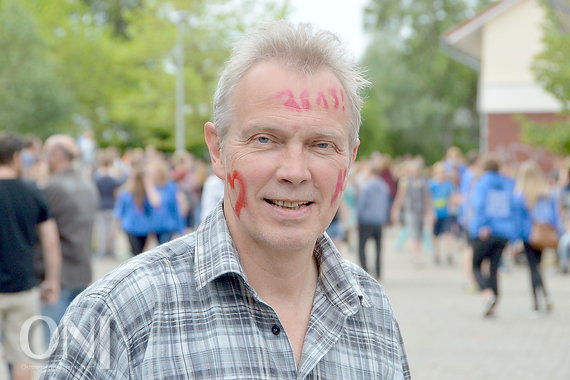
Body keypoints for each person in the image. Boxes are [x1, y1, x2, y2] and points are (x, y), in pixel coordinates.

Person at [41, 21, 410, 379]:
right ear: (217, 151)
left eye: (322, 145)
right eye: (265, 139)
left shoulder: (372, 313)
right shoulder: (119, 314)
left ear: (351, 158)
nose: (295, 171)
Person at [0, 132, 61, 380]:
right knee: (23, 355)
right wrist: (52, 280)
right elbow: (51, 240)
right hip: (23, 286)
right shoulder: (32, 192)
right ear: (16, 157)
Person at [40, 134, 99, 334]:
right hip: (82, 271)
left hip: (58, 276)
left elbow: (46, 236)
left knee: (55, 344)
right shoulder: (88, 185)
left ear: (56, 155)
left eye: (46, 153)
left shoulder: (51, 187)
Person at [468, 155, 517, 318]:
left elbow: (479, 205)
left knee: (475, 265)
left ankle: (488, 294)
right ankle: (494, 305)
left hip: (486, 231)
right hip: (503, 232)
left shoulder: (482, 183)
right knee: (494, 268)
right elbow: (512, 207)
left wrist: (482, 225)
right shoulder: (507, 184)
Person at [513, 161, 562, 315]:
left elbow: (518, 219)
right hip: (545, 234)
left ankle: (536, 304)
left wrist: (516, 239)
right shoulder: (547, 192)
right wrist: (558, 233)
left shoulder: (521, 194)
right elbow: (555, 216)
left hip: (529, 235)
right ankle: (546, 296)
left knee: (533, 269)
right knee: (538, 267)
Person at [357, 159, 391, 280]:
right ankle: (378, 272)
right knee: (378, 249)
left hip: (366, 220)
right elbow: (386, 204)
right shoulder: (384, 187)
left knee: (362, 247)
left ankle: (364, 271)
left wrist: (358, 217)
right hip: (379, 221)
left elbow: (361, 204)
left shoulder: (367, 187)